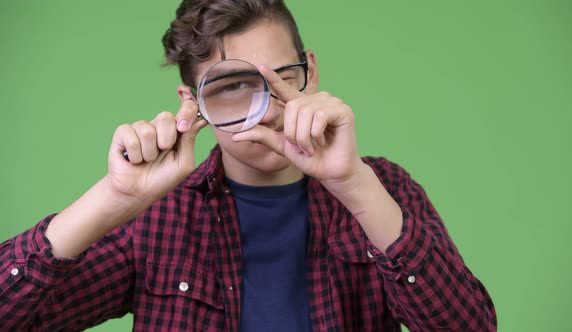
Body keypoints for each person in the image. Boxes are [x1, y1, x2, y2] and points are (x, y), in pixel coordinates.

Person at [0, 0, 496, 331]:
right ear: (192, 103)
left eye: (283, 77)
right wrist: (114, 198)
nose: (270, 107)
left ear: (311, 72)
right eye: (233, 86)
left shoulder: (383, 186)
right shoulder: (157, 216)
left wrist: (355, 186)